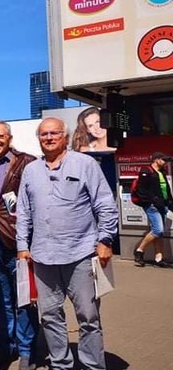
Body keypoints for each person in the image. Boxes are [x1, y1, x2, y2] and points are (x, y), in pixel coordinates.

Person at [17, 117, 118, 370]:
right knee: (50, 316)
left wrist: (105, 239)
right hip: (42, 256)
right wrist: (22, 247)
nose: (49, 138)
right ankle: (60, 364)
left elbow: (105, 204)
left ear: (65, 136)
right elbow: (24, 212)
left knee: (88, 316)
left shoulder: (85, 164)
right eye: (44, 134)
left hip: (81, 254)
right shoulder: (31, 170)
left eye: (54, 133)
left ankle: (93, 365)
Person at [0, 121, 39, 370]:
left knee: (24, 298)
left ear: (9, 138)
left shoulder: (26, 163)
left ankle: (27, 351)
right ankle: (4, 348)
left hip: (18, 241)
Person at [132, 151, 173, 268]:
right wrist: (151, 202)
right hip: (152, 206)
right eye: (164, 160)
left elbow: (166, 190)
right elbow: (142, 190)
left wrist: (170, 203)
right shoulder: (146, 171)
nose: (165, 162)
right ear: (156, 160)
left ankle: (159, 258)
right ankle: (139, 251)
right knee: (158, 230)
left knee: (159, 233)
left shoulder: (162, 172)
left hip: (162, 205)